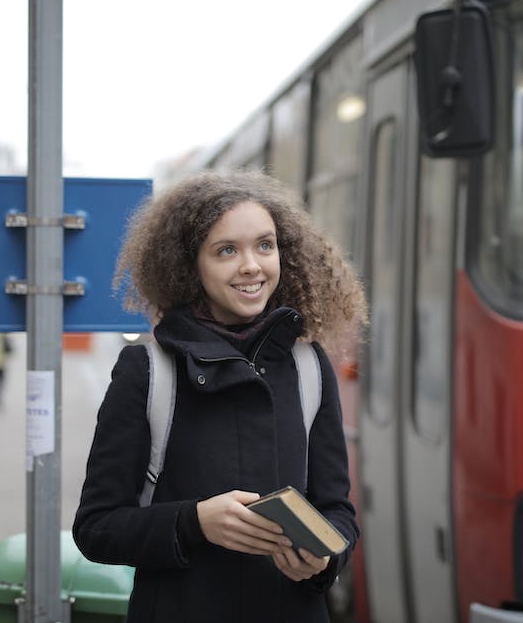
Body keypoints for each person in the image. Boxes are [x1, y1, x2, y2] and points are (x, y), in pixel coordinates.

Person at [73, 170, 368, 623]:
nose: (251, 265)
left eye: (264, 246)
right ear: (191, 266)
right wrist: (194, 523)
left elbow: (337, 511)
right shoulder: (147, 371)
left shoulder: (310, 367)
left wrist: (325, 560)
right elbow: (96, 528)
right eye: (226, 250)